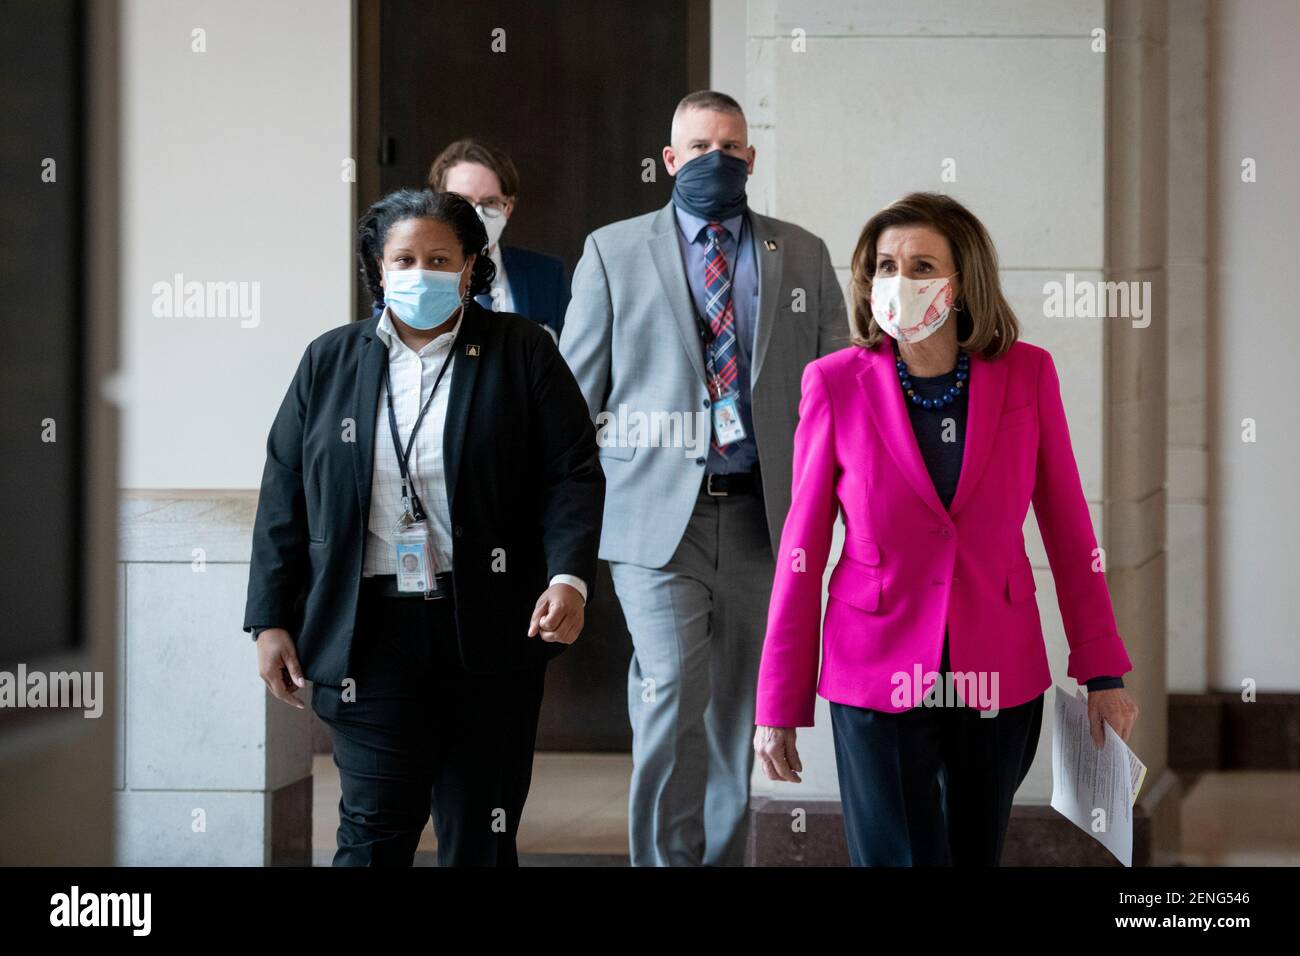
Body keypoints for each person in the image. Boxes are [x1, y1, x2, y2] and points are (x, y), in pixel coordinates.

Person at [753, 192, 1139, 866]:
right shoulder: (835, 383)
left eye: (921, 264)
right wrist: (777, 702)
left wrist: (1102, 668)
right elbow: (802, 550)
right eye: (884, 266)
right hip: (874, 668)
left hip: (998, 668)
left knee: (971, 854)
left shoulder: (1027, 374)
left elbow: (1071, 530)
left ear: (963, 284)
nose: (899, 282)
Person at [243, 188, 603, 866]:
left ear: (471, 267)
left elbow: (572, 473)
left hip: (491, 625)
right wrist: (269, 620)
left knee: (480, 836)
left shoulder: (520, 350)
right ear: (378, 270)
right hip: (368, 633)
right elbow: (283, 493)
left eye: (440, 258)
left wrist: (569, 577)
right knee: (373, 833)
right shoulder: (330, 360)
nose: (420, 273)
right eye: (403, 259)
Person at [560, 90, 848, 866]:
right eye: (698, 146)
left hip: (766, 518)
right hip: (656, 523)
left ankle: (718, 860)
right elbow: (575, 401)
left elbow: (840, 394)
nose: (714, 159)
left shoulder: (805, 253)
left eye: (731, 146)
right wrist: (564, 539)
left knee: (740, 715)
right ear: (669, 160)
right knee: (669, 699)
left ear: (749, 159)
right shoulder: (612, 252)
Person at [398, 138, 571, 342]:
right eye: (461, 201)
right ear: (438, 205)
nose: (476, 214)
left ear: (508, 207)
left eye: (490, 202)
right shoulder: (412, 277)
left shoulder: (547, 275)